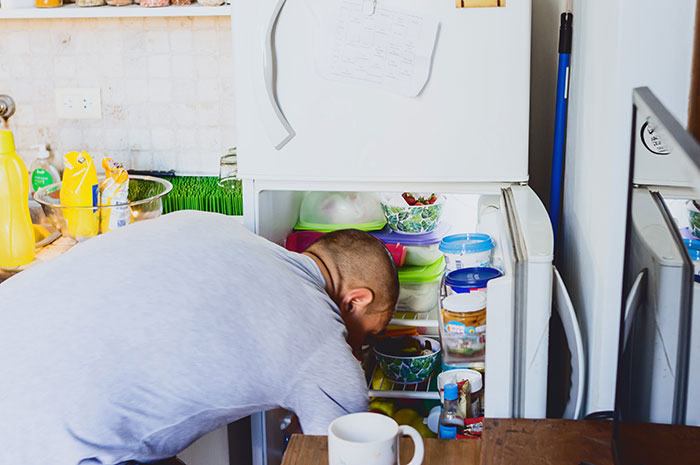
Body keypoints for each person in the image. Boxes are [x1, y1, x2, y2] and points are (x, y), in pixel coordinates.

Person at [0, 210, 399, 465]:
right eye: (370, 332)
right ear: (355, 300)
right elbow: (352, 455)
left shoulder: (210, 223)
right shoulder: (322, 346)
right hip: (51, 439)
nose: (360, 349)